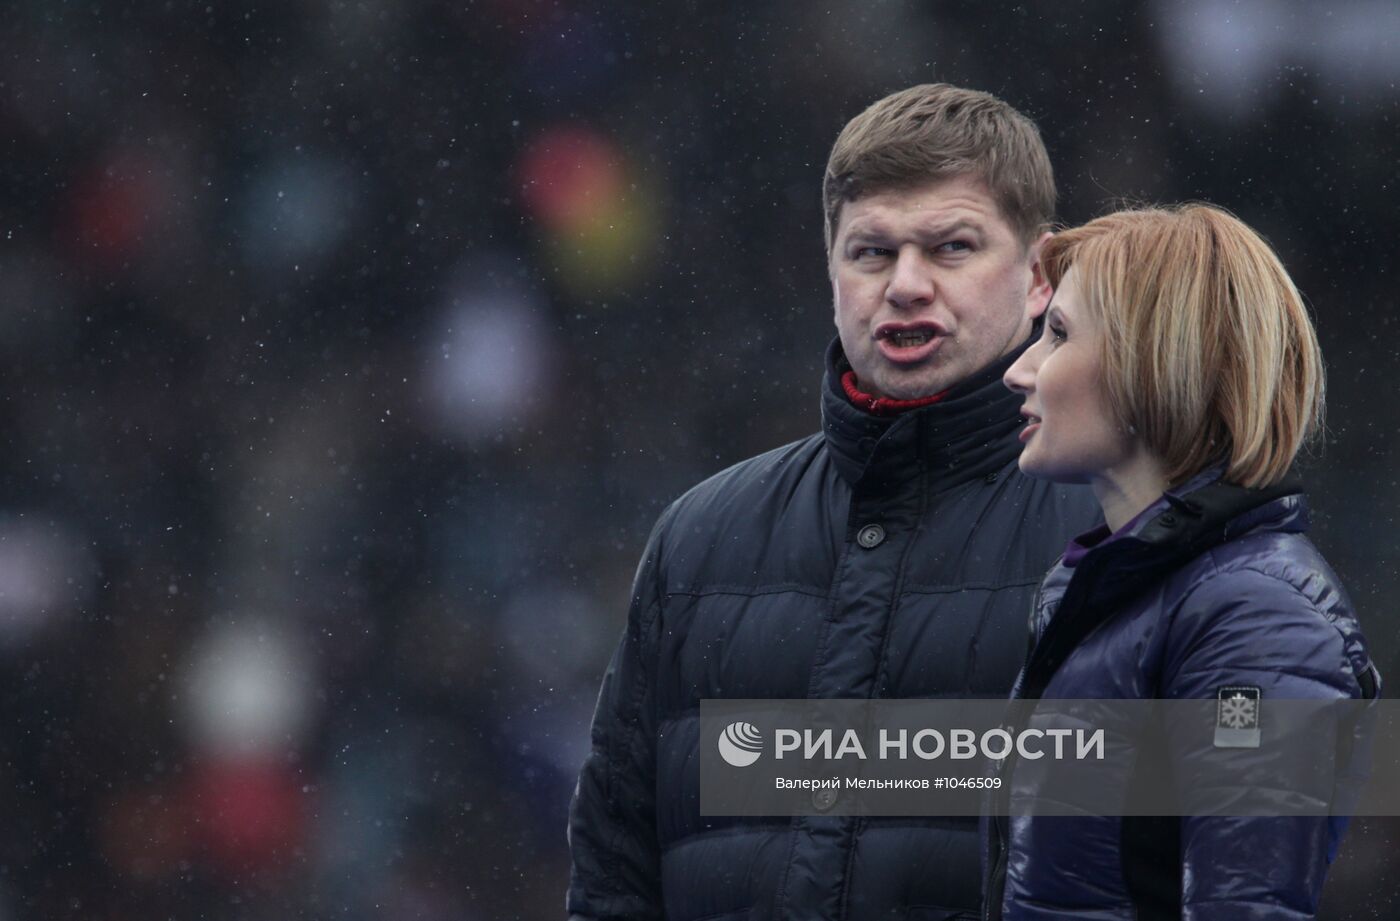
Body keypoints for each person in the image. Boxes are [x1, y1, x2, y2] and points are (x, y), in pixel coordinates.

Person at [566, 84, 1101, 921]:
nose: (906, 284)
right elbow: (613, 876)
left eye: (952, 247)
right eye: (871, 252)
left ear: (1040, 278)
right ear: (831, 268)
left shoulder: (1123, 529)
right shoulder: (699, 541)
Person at [986, 204, 1381, 920]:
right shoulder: (1114, 591)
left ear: (1157, 358)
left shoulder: (1253, 613)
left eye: (1059, 333)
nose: (1019, 369)